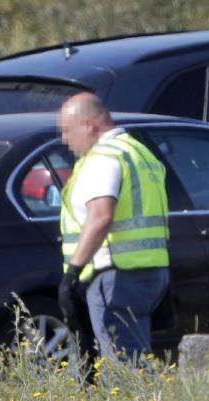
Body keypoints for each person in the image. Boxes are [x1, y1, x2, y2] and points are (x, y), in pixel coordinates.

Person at [57, 92, 170, 363]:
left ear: (89, 125)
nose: (64, 140)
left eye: (67, 130)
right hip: (149, 271)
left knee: (122, 365)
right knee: (134, 356)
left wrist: (73, 271)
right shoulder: (138, 151)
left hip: (115, 276)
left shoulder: (103, 158)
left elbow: (100, 216)